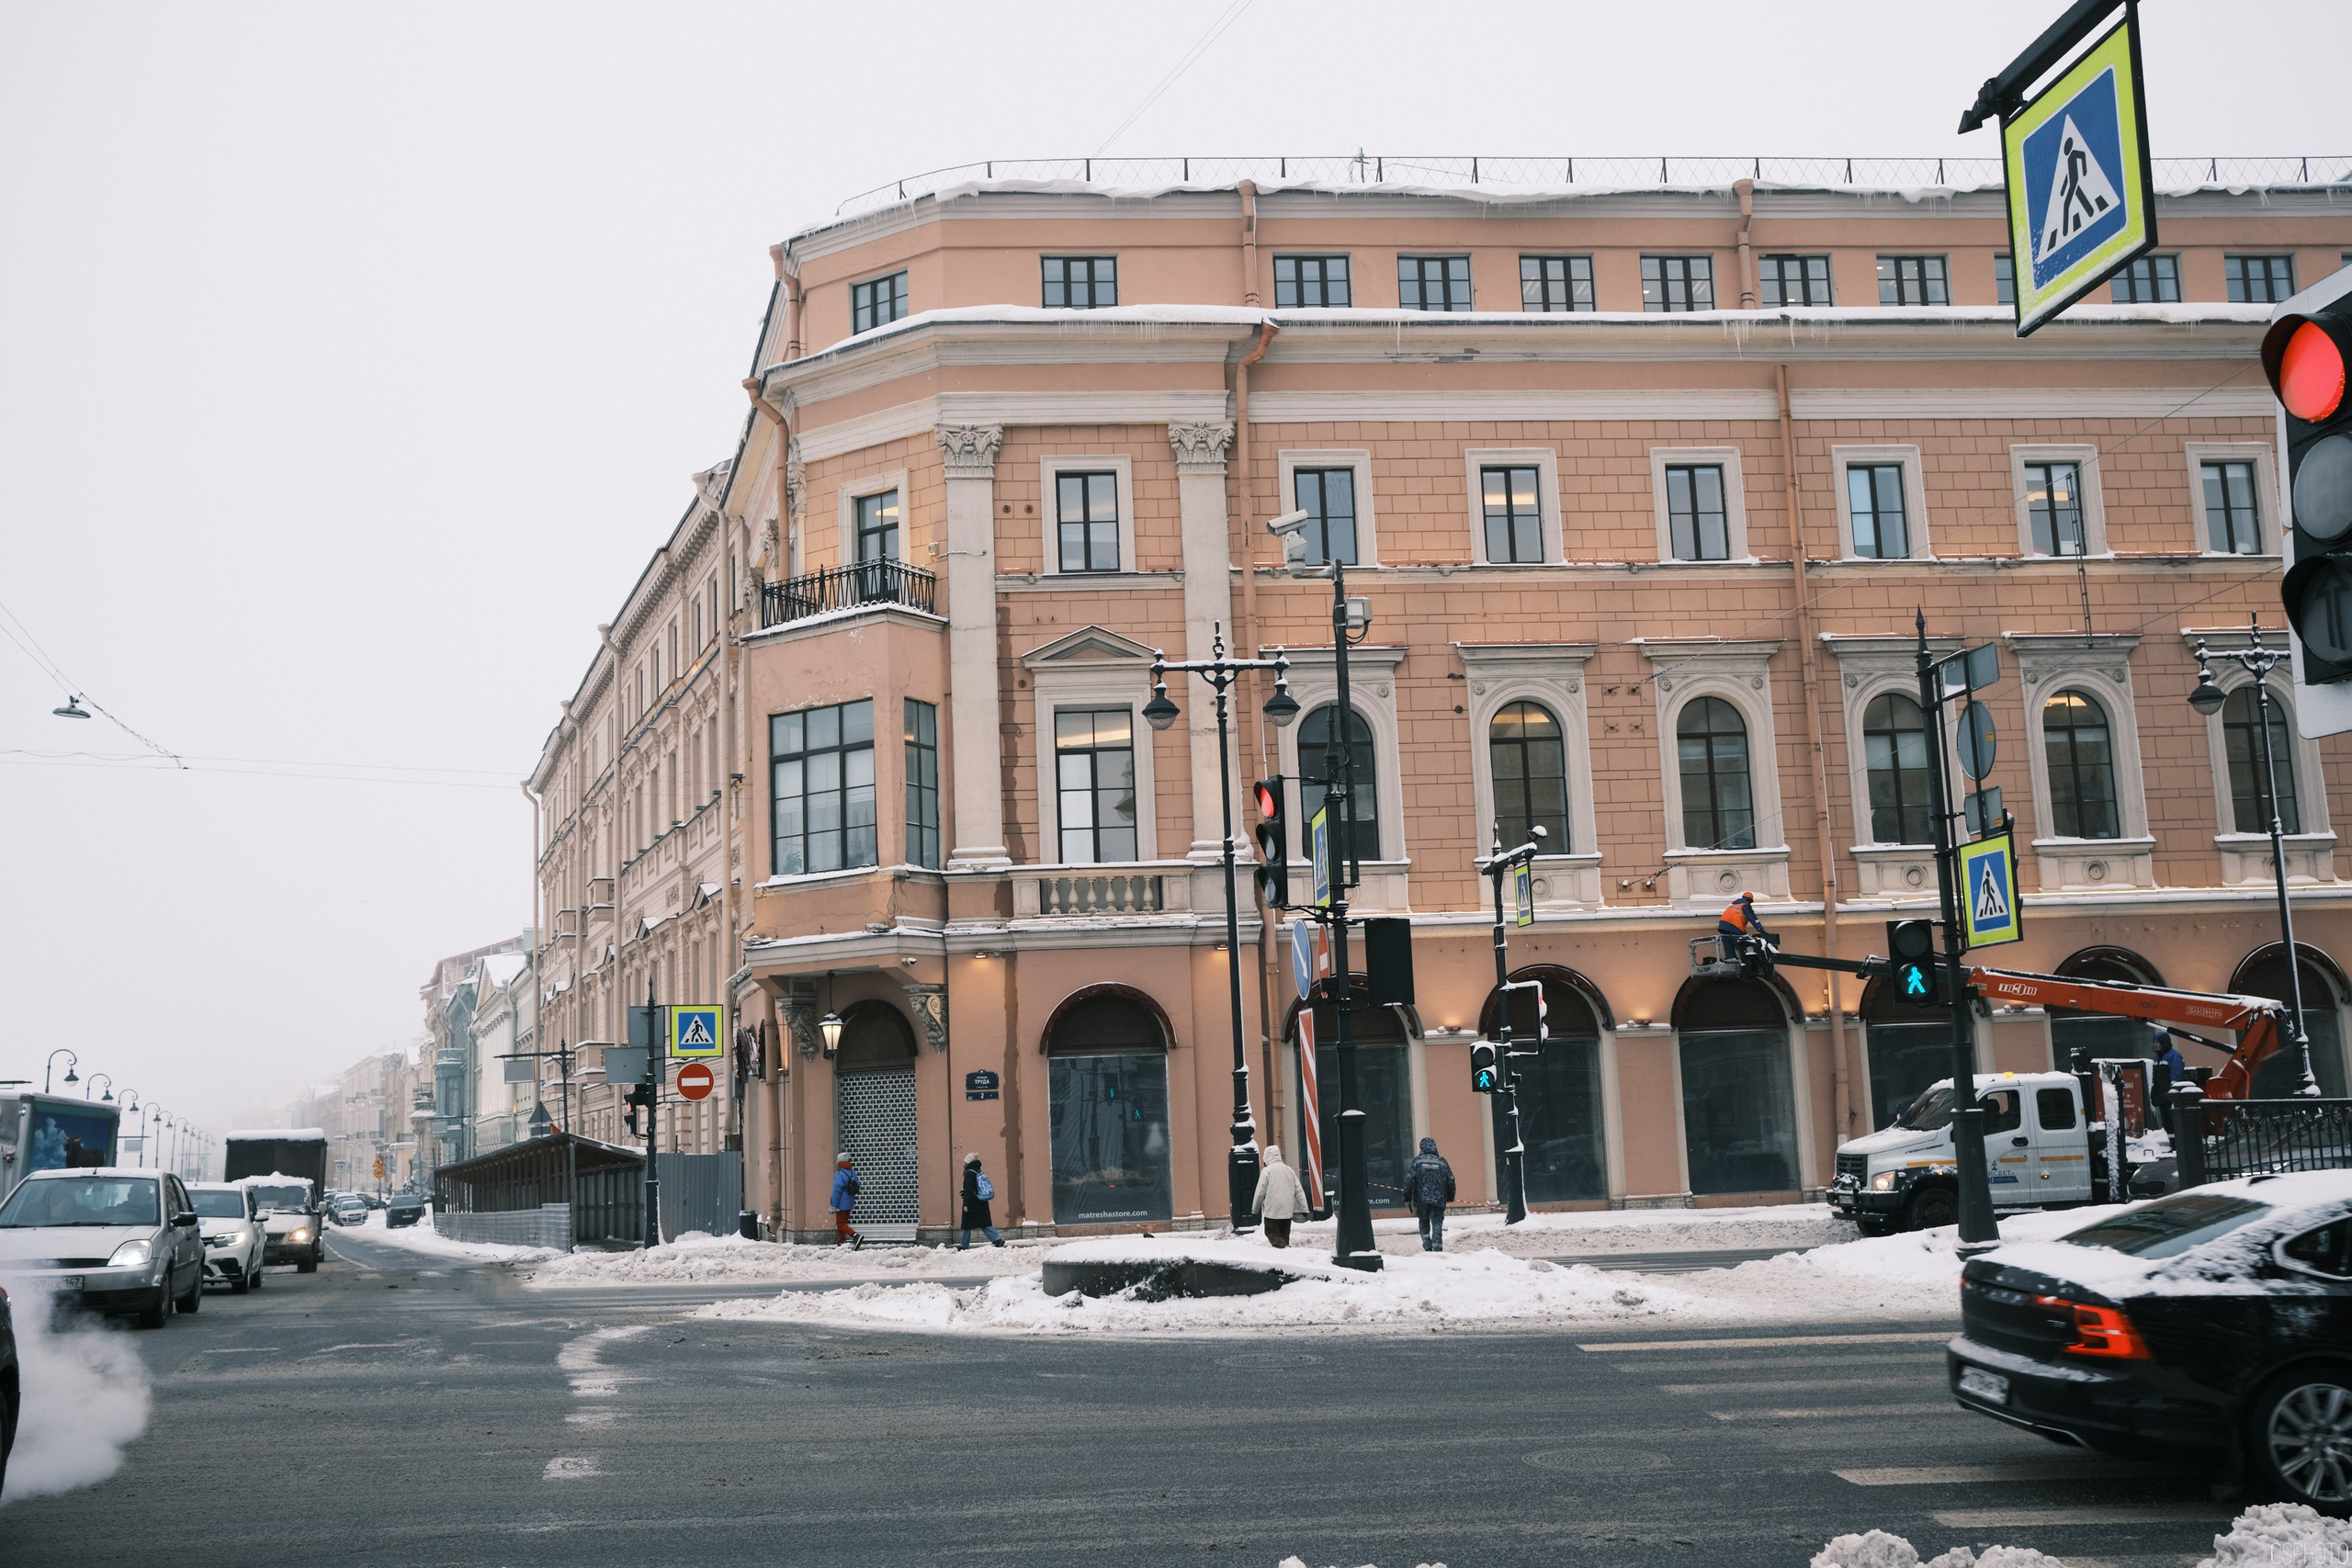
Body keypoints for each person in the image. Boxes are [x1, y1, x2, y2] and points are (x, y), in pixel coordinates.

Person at [1250, 1144, 1314, 1248]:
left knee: (1271, 1233)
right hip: (1287, 1211)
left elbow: (1260, 1192)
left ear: (1266, 1157)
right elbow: (1299, 1191)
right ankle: (1285, 1254)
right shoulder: (1289, 1170)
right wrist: (1304, 1209)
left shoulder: (1267, 1171)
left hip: (1272, 1211)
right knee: (1284, 1235)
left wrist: (1255, 1209)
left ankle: (1284, 1248)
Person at [1406, 1137, 1455, 1252]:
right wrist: (1450, 1197)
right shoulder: (1442, 1162)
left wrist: (1407, 1197)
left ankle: (1427, 1244)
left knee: (1423, 1220)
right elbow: (1451, 1179)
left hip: (1421, 1198)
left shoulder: (1417, 1162)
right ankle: (1437, 1246)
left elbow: (1409, 1180)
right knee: (1437, 1221)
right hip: (1439, 1198)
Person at [959, 1152, 1003, 1250]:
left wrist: (966, 1204)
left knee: (966, 1224)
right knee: (984, 1222)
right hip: (981, 1200)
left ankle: (964, 1245)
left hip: (972, 1203)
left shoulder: (968, 1173)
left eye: (965, 1162)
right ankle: (997, 1239)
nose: (964, 1164)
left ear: (968, 1163)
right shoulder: (978, 1171)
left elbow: (969, 1189)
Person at [1718, 890, 1767, 964]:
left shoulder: (1734, 905)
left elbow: (1736, 919)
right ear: (1750, 901)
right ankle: (1745, 962)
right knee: (1741, 946)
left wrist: (1744, 933)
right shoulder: (1745, 906)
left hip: (1723, 927)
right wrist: (1761, 929)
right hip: (1734, 927)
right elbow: (1753, 918)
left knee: (1729, 945)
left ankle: (1731, 960)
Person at [830, 1152, 862, 1249]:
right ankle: (841, 1241)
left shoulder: (840, 1174)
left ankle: (855, 1235)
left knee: (840, 1223)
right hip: (850, 1201)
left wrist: (833, 1205)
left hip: (841, 1203)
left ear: (839, 1161)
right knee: (843, 1222)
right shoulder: (852, 1172)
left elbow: (836, 1190)